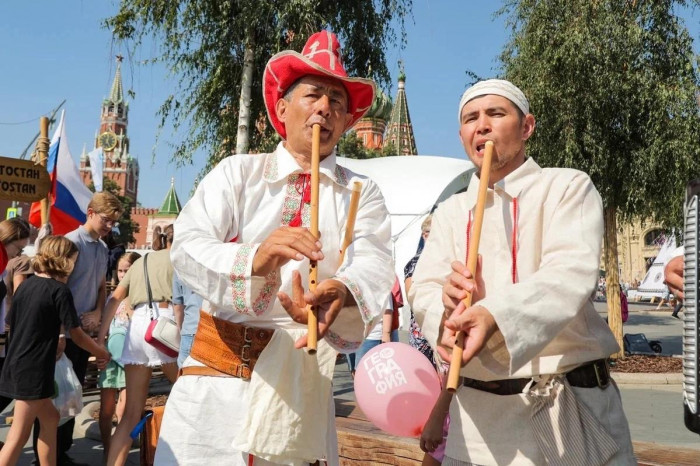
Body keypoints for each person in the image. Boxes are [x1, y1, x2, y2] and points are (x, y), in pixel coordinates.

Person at [155, 30, 393, 466]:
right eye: (314, 95)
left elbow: (375, 263)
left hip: (299, 389)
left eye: (337, 101)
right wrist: (254, 257)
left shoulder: (361, 192)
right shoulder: (238, 173)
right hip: (215, 386)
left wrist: (341, 289)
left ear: (346, 121)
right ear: (282, 109)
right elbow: (187, 245)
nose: (325, 107)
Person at [409, 79, 635, 465]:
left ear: (527, 127)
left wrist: (493, 313)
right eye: (470, 119)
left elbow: (569, 274)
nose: (481, 125)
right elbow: (423, 289)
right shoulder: (449, 211)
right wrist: (444, 311)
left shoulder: (566, 187)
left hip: (568, 412)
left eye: (495, 114)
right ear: (462, 135)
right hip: (476, 428)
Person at [0, 236, 110, 466]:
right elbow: (77, 335)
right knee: (18, 435)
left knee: (50, 419)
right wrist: (100, 352)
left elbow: (13, 323)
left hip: (19, 363)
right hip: (35, 369)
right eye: (73, 260)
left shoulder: (26, 285)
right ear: (64, 261)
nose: (73, 266)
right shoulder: (60, 291)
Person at [34, 191, 123, 464]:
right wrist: (61, 331)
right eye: (106, 220)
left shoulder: (104, 248)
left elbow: (99, 285)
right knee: (53, 394)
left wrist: (98, 311)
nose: (109, 227)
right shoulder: (70, 243)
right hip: (63, 330)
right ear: (90, 213)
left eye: (113, 222)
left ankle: (62, 451)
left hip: (82, 331)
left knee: (73, 392)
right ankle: (45, 456)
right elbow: (57, 288)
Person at [97, 225, 178, 465]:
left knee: (130, 413)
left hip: (138, 326)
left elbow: (114, 299)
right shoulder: (181, 259)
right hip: (166, 325)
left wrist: (101, 338)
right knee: (189, 391)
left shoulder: (141, 262)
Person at [97, 251, 141, 461]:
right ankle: (108, 449)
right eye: (120, 270)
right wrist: (99, 349)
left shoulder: (139, 297)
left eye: (127, 270)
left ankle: (118, 451)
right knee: (106, 410)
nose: (123, 274)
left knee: (123, 410)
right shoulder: (112, 297)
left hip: (130, 359)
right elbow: (104, 327)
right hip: (109, 358)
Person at [171, 270, 203, 368]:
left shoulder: (180, 266)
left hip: (191, 328)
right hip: (218, 327)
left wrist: (182, 331)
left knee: (186, 375)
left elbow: (178, 306)